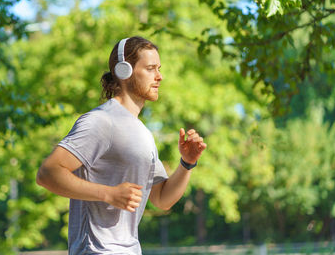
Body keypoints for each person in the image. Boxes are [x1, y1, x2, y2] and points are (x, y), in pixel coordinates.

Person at [36, 36, 207, 255]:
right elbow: (48, 173)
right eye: (150, 68)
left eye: (159, 68)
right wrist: (108, 194)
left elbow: (162, 199)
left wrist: (187, 163)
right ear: (124, 71)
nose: (159, 76)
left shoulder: (143, 133)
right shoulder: (100, 121)